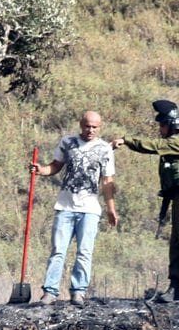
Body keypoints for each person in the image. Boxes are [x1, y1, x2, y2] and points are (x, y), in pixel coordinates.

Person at [110, 100, 179, 306]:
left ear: (171, 125)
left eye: (162, 125)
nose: (160, 129)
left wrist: (126, 140)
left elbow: (154, 146)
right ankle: (174, 287)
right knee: (176, 244)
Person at [31, 111, 118, 306]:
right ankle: (50, 292)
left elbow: (107, 181)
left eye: (94, 127)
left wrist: (111, 208)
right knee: (58, 251)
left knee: (84, 252)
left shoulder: (105, 149)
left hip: (90, 209)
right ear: (81, 125)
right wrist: (41, 170)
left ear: (99, 127)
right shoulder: (67, 142)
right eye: (87, 126)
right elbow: (55, 166)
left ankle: (78, 291)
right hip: (65, 206)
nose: (90, 130)